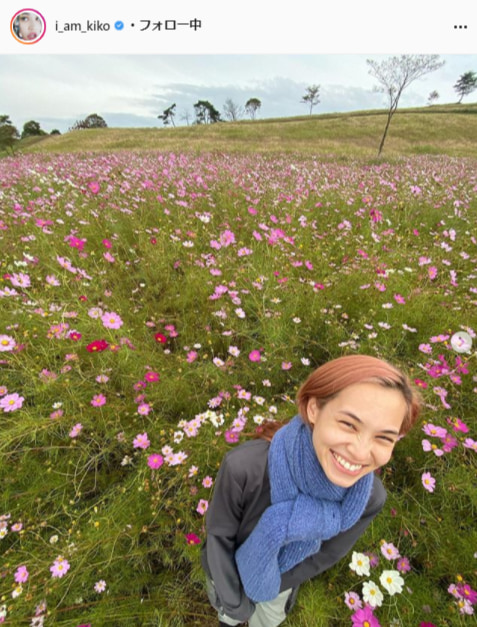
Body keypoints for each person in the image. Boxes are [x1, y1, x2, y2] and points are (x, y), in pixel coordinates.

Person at [201, 354, 421, 627]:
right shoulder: (245, 468)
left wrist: (269, 584)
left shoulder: (368, 498)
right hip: (225, 577)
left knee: (267, 620)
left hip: (280, 584)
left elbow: (323, 556)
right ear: (314, 408)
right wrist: (235, 603)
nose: (361, 452)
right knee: (229, 620)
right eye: (349, 424)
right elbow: (219, 536)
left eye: (384, 437)